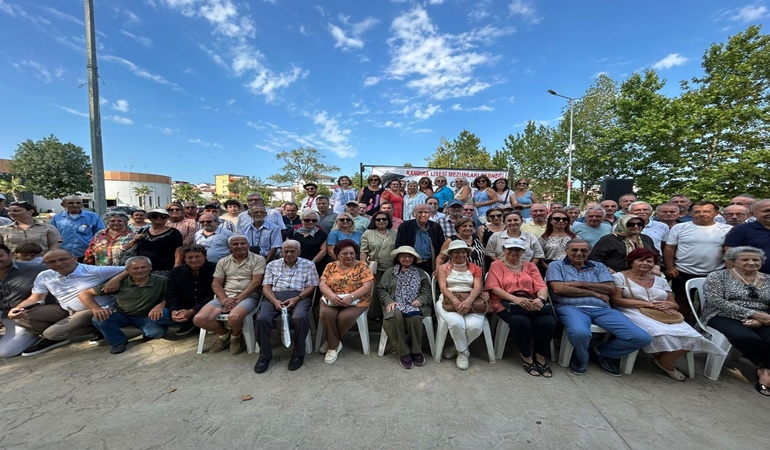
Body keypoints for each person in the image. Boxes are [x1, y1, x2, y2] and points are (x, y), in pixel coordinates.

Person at [610, 248, 725, 381]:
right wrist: (647, 304)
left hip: (663, 313)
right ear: (631, 262)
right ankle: (664, 361)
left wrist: (669, 305)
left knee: (693, 335)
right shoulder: (619, 277)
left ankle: (663, 360)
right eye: (640, 260)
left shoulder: (660, 280)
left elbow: (674, 303)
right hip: (632, 310)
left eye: (649, 261)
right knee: (656, 331)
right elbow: (617, 300)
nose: (645, 263)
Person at [547, 239, 651, 376]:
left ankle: (603, 352)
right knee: (580, 333)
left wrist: (578, 283)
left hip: (602, 309)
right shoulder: (556, 265)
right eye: (574, 250)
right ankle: (581, 357)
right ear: (566, 251)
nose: (579, 253)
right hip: (570, 307)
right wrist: (594, 292)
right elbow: (558, 288)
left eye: (584, 250)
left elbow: (609, 287)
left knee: (641, 337)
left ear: (589, 252)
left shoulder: (599, 266)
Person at [8, 250, 126, 356]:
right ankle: (62, 334)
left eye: (63, 259)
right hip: (66, 310)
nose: (58, 263)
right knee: (20, 317)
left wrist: (116, 279)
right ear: (45, 264)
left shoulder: (93, 270)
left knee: (51, 334)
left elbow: (131, 267)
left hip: (92, 310)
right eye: (52, 261)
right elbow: (35, 298)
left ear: (74, 258)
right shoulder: (45, 276)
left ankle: (69, 333)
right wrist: (17, 309)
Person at [701, 246, 770, 396]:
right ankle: (764, 370)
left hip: (763, 317)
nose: (751, 262)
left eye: (755, 259)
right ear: (732, 262)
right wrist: (753, 314)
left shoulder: (768, 279)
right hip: (721, 314)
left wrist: (761, 320)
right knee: (746, 337)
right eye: (745, 259)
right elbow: (717, 301)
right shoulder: (718, 276)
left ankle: (765, 371)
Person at [485, 238, 555, 377]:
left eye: (518, 249)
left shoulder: (530, 266)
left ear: (523, 251)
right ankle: (526, 355)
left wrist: (540, 299)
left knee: (548, 322)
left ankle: (540, 355)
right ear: (504, 250)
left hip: (531, 301)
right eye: (510, 249)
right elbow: (493, 287)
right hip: (506, 302)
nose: (514, 252)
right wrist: (515, 299)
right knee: (521, 322)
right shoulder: (496, 265)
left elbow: (541, 286)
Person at [81, 256, 173, 354]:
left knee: (157, 332)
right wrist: (96, 309)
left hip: (147, 316)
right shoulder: (117, 283)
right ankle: (118, 342)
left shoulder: (162, 280)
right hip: (123, 315)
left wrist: (161, 304)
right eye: (135, 268)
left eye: (143, 267)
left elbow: (171, 296)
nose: (140, 270)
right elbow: (84, 294)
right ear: (128, 270)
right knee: (99, 318)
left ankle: (150, 332)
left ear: (150, 267)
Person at [193, 235, 265, 355]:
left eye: (243, 243)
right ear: (229, 247)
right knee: (199, 319)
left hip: (249, 296)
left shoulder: (258, 259)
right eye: (235, 244)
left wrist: (237, 300)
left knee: (234, 317)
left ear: (248, 245)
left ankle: (236, 337)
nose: (239, 246)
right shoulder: (223, 261)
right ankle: (224, 334)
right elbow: (216, 283)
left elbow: (256, 282)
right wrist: (224, 299)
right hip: (226, 296)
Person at [254, 240, 319, 373]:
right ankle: (265, 355)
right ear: (281, 252)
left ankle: (298, 353)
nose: (289, 254)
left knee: (299, 317)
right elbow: (266, 286)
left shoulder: (309, 264)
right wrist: (274, 301)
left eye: (293, 251)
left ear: (299, 252)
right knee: (261, 319)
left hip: (299, 296)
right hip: (274, 296)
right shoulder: (272, 264)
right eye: (286, 251)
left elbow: (311, 286)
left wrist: (297, 298)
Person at [664, 201, 732, 316]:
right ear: (690, 213)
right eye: (697, 211)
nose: (702, 214)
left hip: (714, 273)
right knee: (681, 302)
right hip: (682, 271)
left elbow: (729, 252)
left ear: (716, 213)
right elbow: (670, 248)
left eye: (706, 211)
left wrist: (730, 272)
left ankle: (705, 325)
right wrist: (670, 267)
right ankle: (682, 324)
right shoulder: (679, 228)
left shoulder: (727, 229)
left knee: (709, 303)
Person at [318, 240, 374, 364]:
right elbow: (322, 283)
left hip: (357, 300)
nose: (349, 256)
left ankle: (332, 344)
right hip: (332, 299)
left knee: (345, 317)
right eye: (345, 254)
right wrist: (331, 295)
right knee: (326, 315)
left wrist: (351, 296)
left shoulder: (362, 266)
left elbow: (368, 285)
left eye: (352, 253)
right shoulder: (330, 266)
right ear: (338, 254)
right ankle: (335, 343)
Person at [377, 246, 432, 369]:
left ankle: (416, 350)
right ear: (398, 258)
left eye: (410, 256)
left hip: (414, 305)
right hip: (395, 303)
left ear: (414, 258)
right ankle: (404, 352)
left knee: (414, 317)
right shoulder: (389, 273)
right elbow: (381, 290)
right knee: (395, 315)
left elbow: (427, 292)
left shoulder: (420, 273)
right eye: (403, 256)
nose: (407, 258)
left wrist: (420, 300)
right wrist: (388, 301)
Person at [436, 240, 487, 370]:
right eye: (457, 252)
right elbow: (442, 287)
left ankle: (457, 348)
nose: (461, 254)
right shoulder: (443, 268)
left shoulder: (475, 268)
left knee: (475, 327)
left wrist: (469, 301)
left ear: (467, 254)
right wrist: (454, 300)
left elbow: (477, 287)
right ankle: (463, 354)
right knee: (457, 324)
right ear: (451, 254)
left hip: (472, 300)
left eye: (463, 252)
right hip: (448, 300)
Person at [0, 244, 48, 357]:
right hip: (4, 318)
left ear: (10, 255)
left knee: (4, 352)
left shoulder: (35, 269)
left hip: (25, 317)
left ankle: (35, 333)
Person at [166, 244, 216, 336]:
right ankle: (189, 323)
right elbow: (172, 294)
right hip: (184, 308)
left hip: (208, 306)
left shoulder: (215, 269)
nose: (194, 260)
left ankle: (195, 322)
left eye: (197, 256)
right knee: (159, 316)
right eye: (190, 257)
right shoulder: (176, 272)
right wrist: (174, 311)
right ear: (184, 259)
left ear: (205, 256)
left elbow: (213, 295)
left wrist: (192, 311)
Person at [359, 211, 397, 320]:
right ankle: (374, 316)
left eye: (384, 219)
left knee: (390, 291)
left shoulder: (395, 233)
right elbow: (363, 251)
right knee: (375, 292)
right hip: (374, 267)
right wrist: (364, 267)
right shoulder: (368, 233)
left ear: (388, 221)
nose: (381, 221)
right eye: (378, 219)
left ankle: (391, 313)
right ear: (374, 221)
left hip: (391, 267)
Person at [590, 215, 660, 274]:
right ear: (622, 225)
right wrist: (607, 269)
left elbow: (656, 255)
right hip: (617, 274)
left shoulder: (646, 238)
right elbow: (595, 259)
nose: (636, 226)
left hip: (644, 274)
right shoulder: (609, 239)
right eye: (630, 224)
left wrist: (657, 266)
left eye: (639, 224)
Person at [132, 209, 184, 278]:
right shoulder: (143, 231)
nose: (159, 218)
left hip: (165, 270)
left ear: (167, 218)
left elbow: (179, 250)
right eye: (155, 216)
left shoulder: (174, 232)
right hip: (143, 269)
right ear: (150, 218)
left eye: (163, 216)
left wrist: (177, 267)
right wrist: (134, 239)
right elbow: (133, 248)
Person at [395, 204, 446, 274]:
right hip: (410, 263)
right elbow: (400, 246)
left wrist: (439, 266)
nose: (423, 215)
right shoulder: (405, 226)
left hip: (430, 264)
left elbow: (441, 247)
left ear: (430, 214)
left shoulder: (436, 227)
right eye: (420, 212)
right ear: (414, 214)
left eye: (426, 212)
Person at [50, 196, 105, 261]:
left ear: (82, 205)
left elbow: (101, 235)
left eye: (78, 203)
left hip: (87, 254)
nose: (75, 205)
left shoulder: (93, 217)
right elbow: (52, 237)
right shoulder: (57, 218)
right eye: (70, 203)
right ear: (63, 205)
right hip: (64, 254)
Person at [724, 199, 770, 274]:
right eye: (766, 211)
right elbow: (730, 258)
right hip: (755, 280)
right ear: (753, 214)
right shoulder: (740, 230)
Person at [290, 210, 328, 276]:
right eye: (307, 220)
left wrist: (311, 263)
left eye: (314, 220)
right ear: (302, 220)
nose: (310, 222)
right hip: (294, 264)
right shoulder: (293, 232)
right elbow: (286, 247)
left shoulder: (322, 234)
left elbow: (323, 251)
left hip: (315, 266)